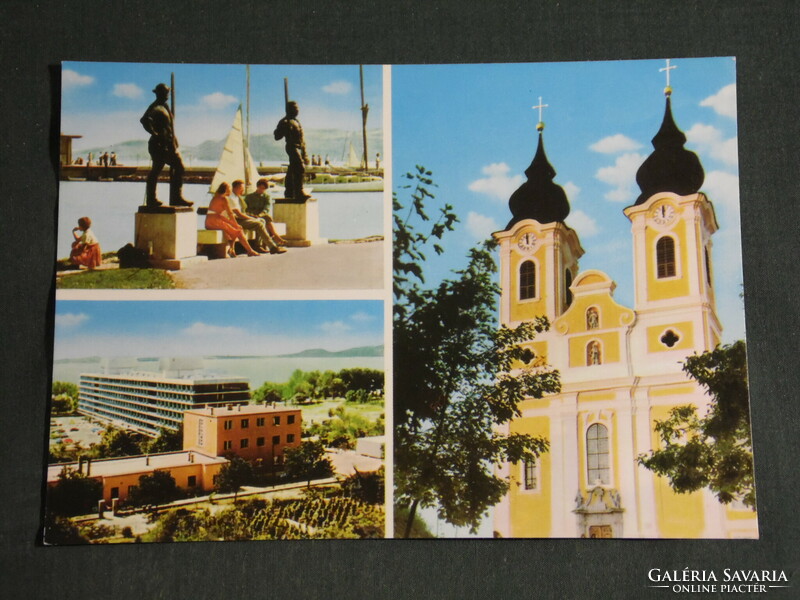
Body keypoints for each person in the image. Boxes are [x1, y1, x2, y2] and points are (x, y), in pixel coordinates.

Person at [140, 83, 192, 208]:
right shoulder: (156, 107)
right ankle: (170, 198)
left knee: (158, 170)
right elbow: (144, 120)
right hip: (160, 145)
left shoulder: (165, 106)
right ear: (158, 93)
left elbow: (169, 127)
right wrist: (155, 133)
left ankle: (169, 198)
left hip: (168, 144)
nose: (167, 94)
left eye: (167, 92)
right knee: (178, 167)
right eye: (165, 92)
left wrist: (173, 140)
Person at [205, 182, 261, 258]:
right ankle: (250, 251)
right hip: (215, 221)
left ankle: (232, 250)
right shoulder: (224, 199)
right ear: (226, 190)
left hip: (209, 221)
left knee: (236, 229)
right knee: (238, 230)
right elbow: (230, 214)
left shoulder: (215, 197)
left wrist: (234, 224)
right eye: (230, 189)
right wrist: (235, 224)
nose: (231, 191)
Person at [229, 180, 286, 254]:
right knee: (259, 223)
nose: (243, 190)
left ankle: (259, 246)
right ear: (237, 188)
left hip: (240, 217)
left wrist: (256, 216)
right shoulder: (232, 198)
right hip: (234, 220)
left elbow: (266, 208)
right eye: (242, 188)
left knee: (262, 220)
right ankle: (273, 247)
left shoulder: (237, 197)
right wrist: (252, 218)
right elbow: (239, 214)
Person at [274, 101, 310, 200]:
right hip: (291, 147)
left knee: (292, 170)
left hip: (299, 147)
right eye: (295, 109)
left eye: (298, 109)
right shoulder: (284, 121)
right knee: (300, 167)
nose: (297, 111)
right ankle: (299, 191)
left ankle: (289, 191)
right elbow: (277, 136)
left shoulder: (297, 122)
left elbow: (302, 140)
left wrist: (305, 154)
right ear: (289, 110)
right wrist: (284, 128)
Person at [244, 178, 287, 247]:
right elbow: (245, 208)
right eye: (261, 188)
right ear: (257, 187)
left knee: (266, 218)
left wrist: (260, 214)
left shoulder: (266, 196)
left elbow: (267, 208)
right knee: (265, 219)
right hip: (251, 214)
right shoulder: (249, 197)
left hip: (261, 214)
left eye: (264, 189)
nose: (262, 190)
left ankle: (273, 236)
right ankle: (275, 236)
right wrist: (251, 214)